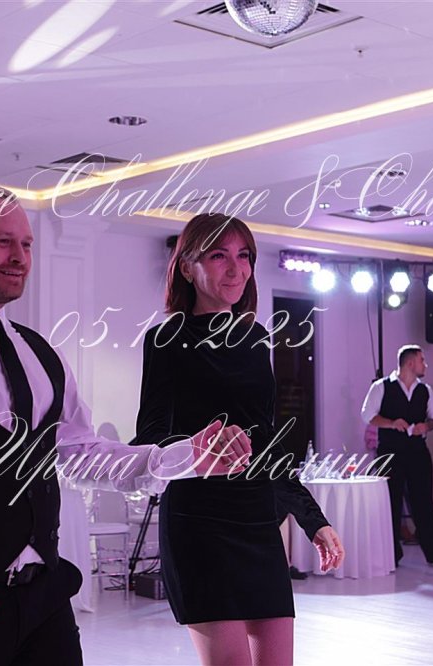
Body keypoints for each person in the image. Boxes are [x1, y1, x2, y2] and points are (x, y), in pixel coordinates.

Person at [0, 187, 250, 666]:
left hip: (43, 602)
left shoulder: (41, 353)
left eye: (27, 244)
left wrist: (184, 456)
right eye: (3, 242)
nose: (20, 257)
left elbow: (82, 454)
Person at [133, 213, 344, 666]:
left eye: (244, 256)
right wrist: (198, 446)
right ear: (187, 267)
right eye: (219, 256)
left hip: (258, 522)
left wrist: (313, 519)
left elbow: (268, 443)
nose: (236, 268)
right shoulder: (166, 340)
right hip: (199, 524)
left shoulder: (256, 339)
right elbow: (149, 438)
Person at [362, 345, 433, 568]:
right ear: (410, 363)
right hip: (389, 453)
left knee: (424, 502)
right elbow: (367, 415)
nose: (425, 365)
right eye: (422, 360)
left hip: (418, 452)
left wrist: (425, 426)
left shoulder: (425, 390)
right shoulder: (382, 387)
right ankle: (392, 555)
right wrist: (391, 423)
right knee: (391, 503)